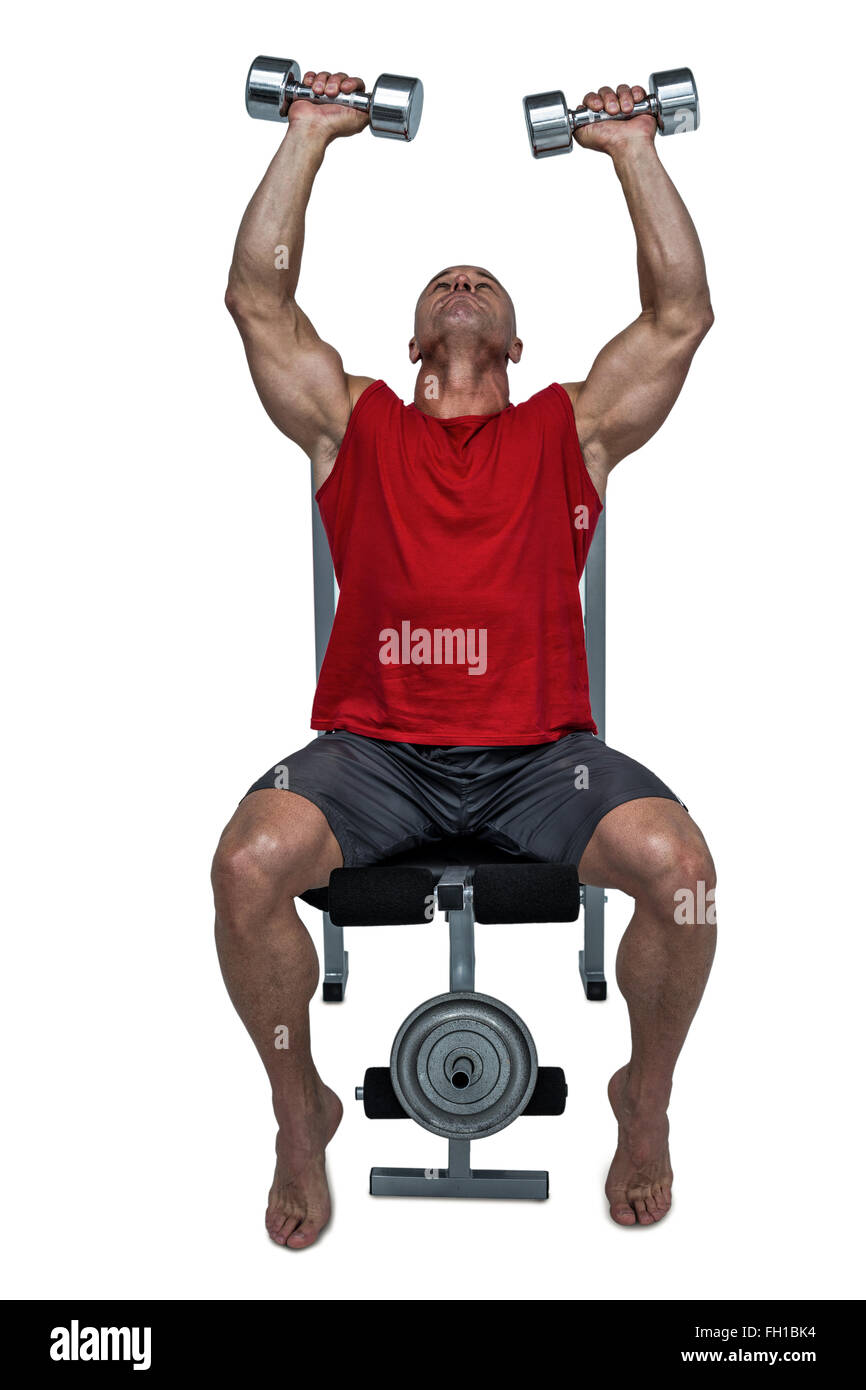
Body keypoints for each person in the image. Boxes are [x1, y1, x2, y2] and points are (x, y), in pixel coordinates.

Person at [215, 68, 716, 1248]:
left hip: (545, 761)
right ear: (410, 338)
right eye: (444, 281)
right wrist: (309, 134)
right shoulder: (354, 421)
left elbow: (678, 316)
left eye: (481, 283)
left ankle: (641, 1098)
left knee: (683, 875)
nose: (461, 282)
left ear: (511, 337)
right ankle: (301, 1110)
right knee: (245, 865)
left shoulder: (569, 429)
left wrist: (633, 148)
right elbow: (255, 302)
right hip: (368, 758)